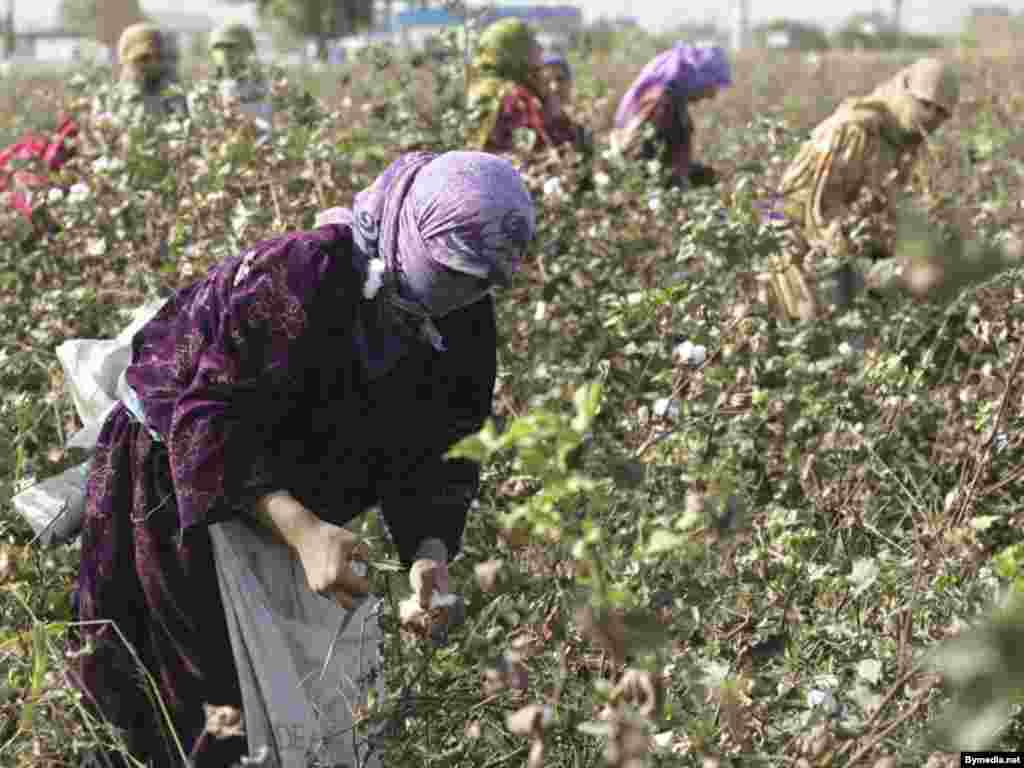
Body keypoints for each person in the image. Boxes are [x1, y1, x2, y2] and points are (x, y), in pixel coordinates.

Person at [71, 150, 536, 767]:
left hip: (288, 493)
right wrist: (301, 529)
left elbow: (447, 441)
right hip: (175, 485)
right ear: (412, 231)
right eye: (454, 271)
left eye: (485, 280)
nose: (466, 293)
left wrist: (429, 552)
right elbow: (206, 420)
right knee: (195, 713)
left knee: (302, 713)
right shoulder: (301, 273)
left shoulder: (461, 313)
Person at [760, 57, 960, 322]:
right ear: (904, 91)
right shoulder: (856, 130)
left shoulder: (901, 140)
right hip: (793, 244)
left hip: (835, 245)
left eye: (941, 112)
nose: (931, 117)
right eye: (924, 104)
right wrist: (875, 261)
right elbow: (817, 211)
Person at [611, 43, 732, 189]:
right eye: (712, 85)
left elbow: (669, 158)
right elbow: (640, 159)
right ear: (698, 77)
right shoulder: (662, 105)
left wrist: (703, 175)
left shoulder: (673, 102)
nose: (712, 95)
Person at [466, 18, 584, 153]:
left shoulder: (475, 90)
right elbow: (544, 154)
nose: (540, 49)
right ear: (515, 51)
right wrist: (554, 116)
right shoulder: (514, 99)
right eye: (532, 43)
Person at [102, 23, 188, 120]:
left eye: (159, 57)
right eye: (144, 59)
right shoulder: (113, 100)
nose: (153, 64)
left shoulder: (172, 94)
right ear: (126, 61)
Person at [207, 22, 273, 140]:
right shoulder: (206, 90)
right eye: (219, 47)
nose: (225, 53)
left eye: (231, 47)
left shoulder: (260, 87)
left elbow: (264, 127)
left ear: (248, 49)